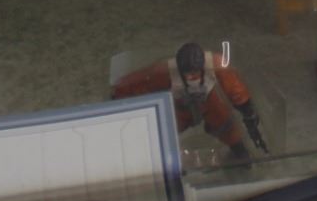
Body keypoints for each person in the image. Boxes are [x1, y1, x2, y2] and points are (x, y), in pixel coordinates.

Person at [112, 42, 267, 159]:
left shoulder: (216, 65)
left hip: (209, 101)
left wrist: (246, 108)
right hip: (180, 106)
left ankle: (239, 152)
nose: (191, 76)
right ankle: (161, 157)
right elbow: (139, 83)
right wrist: (120, 97)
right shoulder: (164, 72)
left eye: (195, 72)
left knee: (225, 124)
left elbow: (235, 87)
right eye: (187, 73)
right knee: (165, 129)